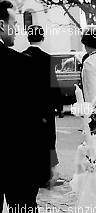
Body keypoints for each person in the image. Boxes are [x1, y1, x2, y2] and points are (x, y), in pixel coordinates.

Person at [0, 0, 51, 213]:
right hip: (16, 161)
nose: (15, 30)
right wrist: (43, 159)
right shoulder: (19, 63)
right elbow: (37, 117)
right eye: (12, 24)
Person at [22, 24, 64, 187]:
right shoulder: (48, 59)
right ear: (43, 38)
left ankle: (32, 173)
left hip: (28, 108)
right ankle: (46, 175)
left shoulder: (22, 57)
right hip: (45, 109)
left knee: (31, 139)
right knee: (48, 140)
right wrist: (58, 105)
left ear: (28, 37)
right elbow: (55, 86)